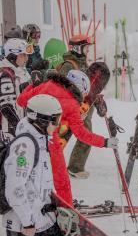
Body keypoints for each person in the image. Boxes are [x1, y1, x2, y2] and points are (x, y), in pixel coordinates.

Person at [17, 69, 118, 203]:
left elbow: (21, 101)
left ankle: (26, 201)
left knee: (26, 174)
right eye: (84, 93)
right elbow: (81, 134)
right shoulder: (72, 104)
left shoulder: (47, 85)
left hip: (26, 135)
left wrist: (33, 85)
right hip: (49, 141)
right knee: (61, 180)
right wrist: (104, 142)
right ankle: (66, 206)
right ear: (79, 88)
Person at [3, 94, 67, 236]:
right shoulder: (24, 146)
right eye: (55, 120)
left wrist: (53, 207)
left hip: (42, 217)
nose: (57, 125)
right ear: (41, 120)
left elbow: (39, 180)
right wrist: (27, 222)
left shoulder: (40, 139)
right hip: (22, 224)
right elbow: (14, 188)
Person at [58, 35, 108, 179]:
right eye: (86, 47)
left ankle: (75, 167)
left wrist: (97, 99)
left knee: (82, 136)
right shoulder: (69, 65)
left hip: (84, 110)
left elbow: (88, 87)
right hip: (73, 109)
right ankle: (65, 166)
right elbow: (62, 86)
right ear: (77, 48)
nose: (87, 50)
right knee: (64, 137)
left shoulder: (83, 63)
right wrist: (74, 104)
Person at [0, 38, 32, 142]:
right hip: (9, 130)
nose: (26, 59)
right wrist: (19, 127)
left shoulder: (20, 71)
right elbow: (6, 107)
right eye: (23, 55)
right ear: (12, 56)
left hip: (20, 126)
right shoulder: (6, 74)